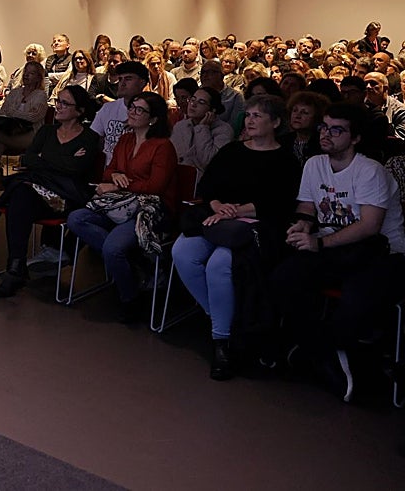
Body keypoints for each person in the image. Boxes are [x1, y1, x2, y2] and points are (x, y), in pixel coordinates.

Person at [270, 103, 405, 401]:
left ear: (355, 138)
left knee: (355, 304)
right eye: (324, 127)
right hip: (336, 247)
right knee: (284, 279)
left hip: (382, 253)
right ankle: (319, 352)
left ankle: (332, 356)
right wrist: (303, 226)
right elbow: (307, 205)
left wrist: (318, 243)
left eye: (336, 130)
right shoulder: (314, 164)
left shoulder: (369, 170)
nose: (326, 134)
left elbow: (370, 226)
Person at [170, 94, 300, 380]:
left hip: (253, 225)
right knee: (182, 253)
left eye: (258, 116)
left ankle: (220, 341)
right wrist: (218, 205)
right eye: (249, 115)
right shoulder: (232, 151)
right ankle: (229, 323)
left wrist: (236, 210)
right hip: (219, 218)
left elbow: (280, 202)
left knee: (219, 264)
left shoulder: (286, 161)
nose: (250, 120)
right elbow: (209, 186)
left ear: (276, 122)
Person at [68, 91, 177, 323]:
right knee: (77, 218)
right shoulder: (125, 139)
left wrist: (121, 185)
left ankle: (130, 297)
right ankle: (134, 263)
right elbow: (109, 171)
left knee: (112, 248)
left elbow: (155, 186)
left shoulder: (163, 146)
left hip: (148, 209)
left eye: (140, 110)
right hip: (119, 204)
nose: (133, 112)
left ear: (154, 119)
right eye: (132, 108)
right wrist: (116, 175)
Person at [0, 86, 100, 298]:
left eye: (64, 103)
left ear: (79, 111)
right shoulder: (47, 131)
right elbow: (28, 159)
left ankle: (15, 269)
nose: (57, 106)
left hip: (65, 198)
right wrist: (61, 161)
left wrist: (44, 159)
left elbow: (77, 169)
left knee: (20, 197)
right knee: (21, 194)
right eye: (58, 101)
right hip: (36, 191)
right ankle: (15, 267)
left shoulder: (89, 137)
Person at [89, 60, 149, 164]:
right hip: (108, 169)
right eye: (120, 79)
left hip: (138, 168)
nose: (122, 83)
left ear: (142, 82)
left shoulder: (151, 110)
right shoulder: (108, 108)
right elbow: (94, 138)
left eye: (128, 79)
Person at [170, 86, 233, 175]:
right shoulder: (181, 126)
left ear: (212, 110)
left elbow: (209, 162)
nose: (193, 105)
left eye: (201, 102)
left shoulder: (223, 130)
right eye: (192, 100)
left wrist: (203, 128)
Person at [0, 61, 49, 154]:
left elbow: (33, 117)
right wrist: (17, 114)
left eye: (31, 73)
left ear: (38, 77)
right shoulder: (14, 92)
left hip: (30, 133)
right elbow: (3, 112)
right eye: (25, 72)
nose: (26, 75)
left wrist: (12, 112)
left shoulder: (41, 95)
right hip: (9, 129)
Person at [281, 91, 328, 166]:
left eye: (304, 112)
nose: (297, 116)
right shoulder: (282, 141)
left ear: (317, 118)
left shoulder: (322, 144)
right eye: (295, 110)